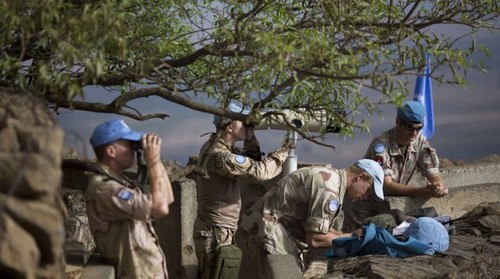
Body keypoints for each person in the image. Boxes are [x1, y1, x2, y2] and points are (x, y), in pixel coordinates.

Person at [235, 159, 385, 279]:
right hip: (265, 236)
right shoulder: (329, 190)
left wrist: (342, 235)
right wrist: (352, 237)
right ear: (361, 177)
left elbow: (320, 227)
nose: (366, 197)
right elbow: (315, 239)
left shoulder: (332, 179)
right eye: (369, 190)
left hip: (260, 233)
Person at [193, 102, 292, 279]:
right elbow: (259, 171)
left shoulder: (219, 148)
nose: (247, 124)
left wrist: (250, 135)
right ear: (229, 126)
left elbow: (251, 159)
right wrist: (284, 151)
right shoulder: (219, 155)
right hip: (216, 230)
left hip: (219, 228)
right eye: (242, 121)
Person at [85, 119, 174, 279]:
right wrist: (152, 162)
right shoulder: (105, 189)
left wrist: (155, 160)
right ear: (111, 151)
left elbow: (167, 198)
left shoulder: (120, 182)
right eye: (128, 144)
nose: (134, 149)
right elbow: (160, 208)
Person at [364, 100, 448, 198]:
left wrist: (438, 186)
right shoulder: (381, 145)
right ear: (398, 122)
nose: (415, 133)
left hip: (393, 201)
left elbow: (433, 172)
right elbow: (386, 186)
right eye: (410, 127)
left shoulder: (419, 141)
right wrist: (422, 191)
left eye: (419, 128)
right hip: (367, 202)